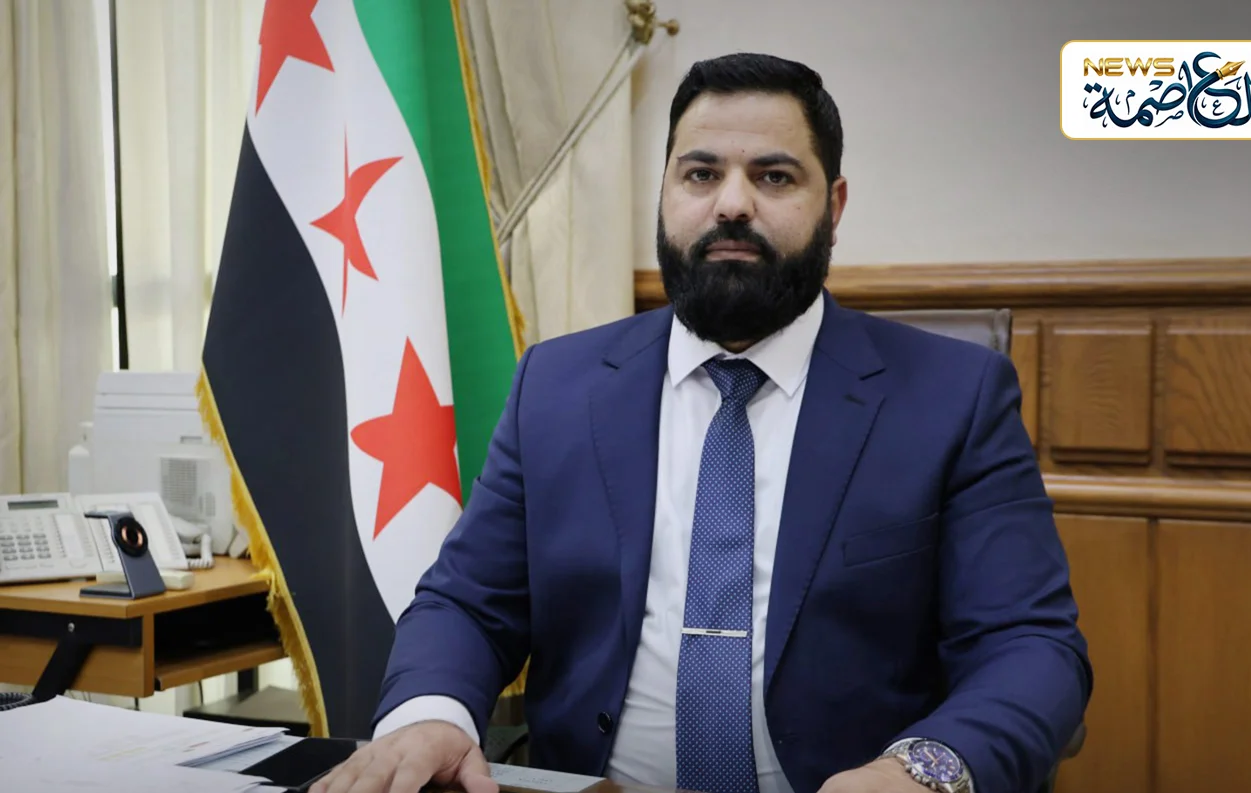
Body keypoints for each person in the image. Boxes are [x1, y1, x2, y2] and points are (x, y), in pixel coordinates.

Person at [314, 52, 1091, 793]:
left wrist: (919, 770)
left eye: (775, 176)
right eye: (701, 173)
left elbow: (1030, 645)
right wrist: (432, 714)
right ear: (664, 195)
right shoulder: (556, 386)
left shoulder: (953, 396)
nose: (732, 203)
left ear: (834, 207)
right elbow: (467, 602)